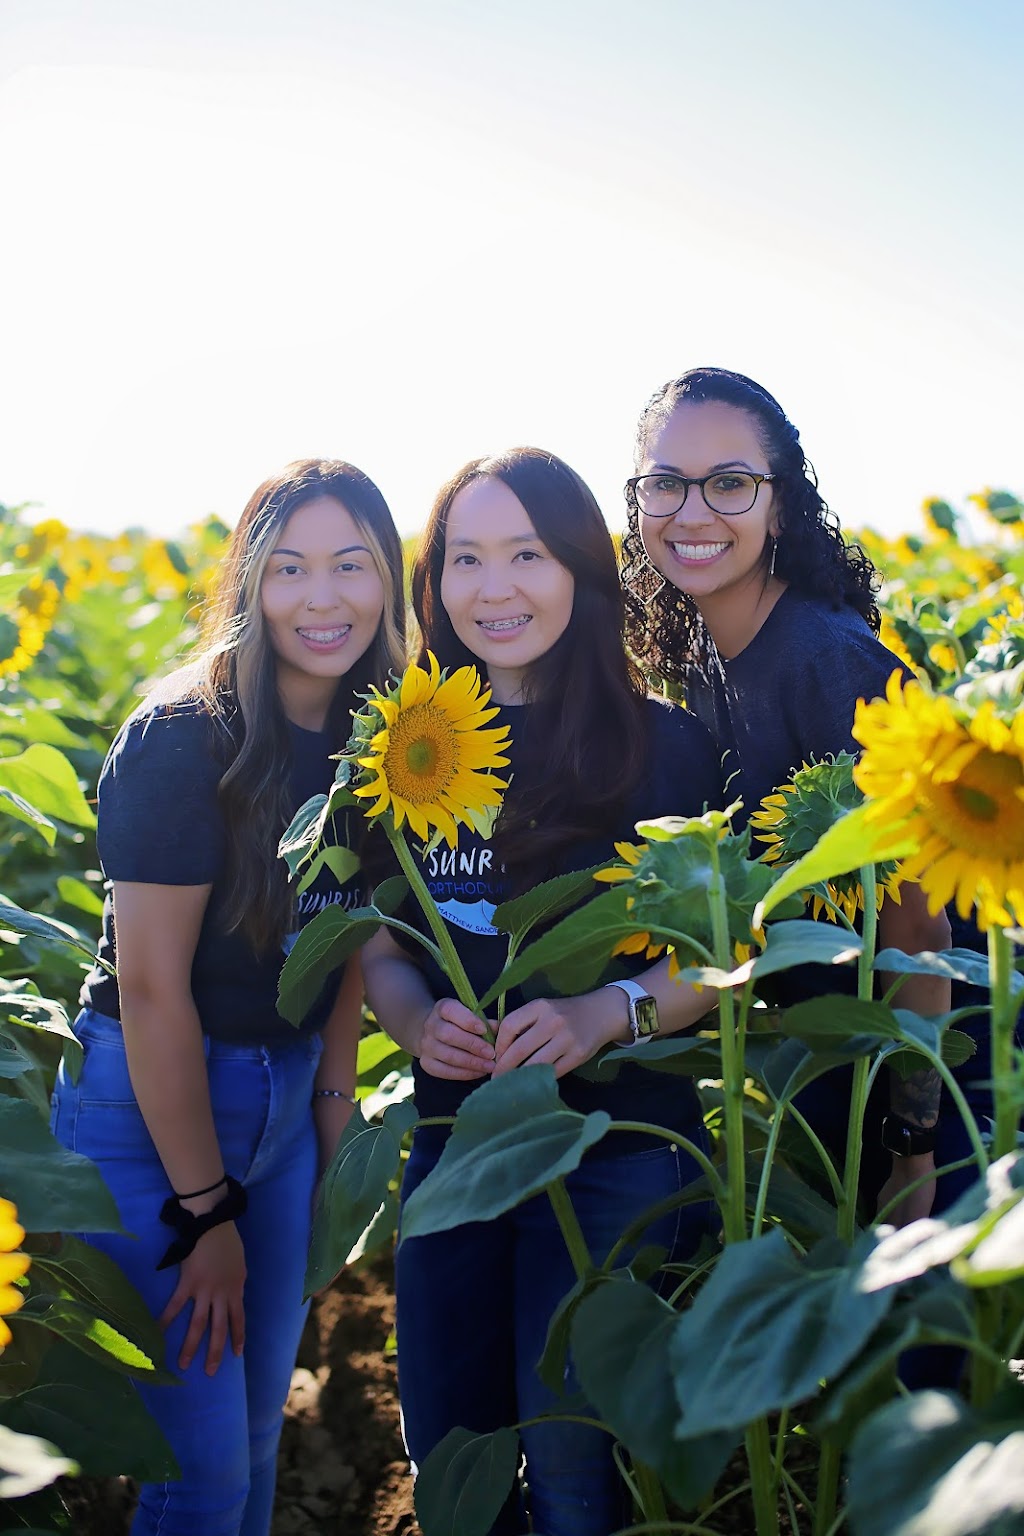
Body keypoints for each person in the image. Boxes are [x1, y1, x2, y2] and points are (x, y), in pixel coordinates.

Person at [361, 447, 725, 1536]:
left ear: (581, 568)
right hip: (454, 1146)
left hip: (618, 1151)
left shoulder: (663, 746)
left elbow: (716, 957)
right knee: (450, 1454)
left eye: (526, 552)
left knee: (575, 1477)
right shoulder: (395, 748)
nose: (494, 586)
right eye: (464, 558)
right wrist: (416, 1018)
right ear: (434, 586)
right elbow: (379, 942)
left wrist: (601, 1013)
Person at [50, 459, 406, 1536]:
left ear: (388, 580)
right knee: (196, 1476)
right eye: (289, 568)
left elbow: (346, 941)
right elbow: (154, 990)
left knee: (254, 1446)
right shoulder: (180, 737)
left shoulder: (378, 734)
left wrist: (331, 1116)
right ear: (248, 584)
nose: (322, 596)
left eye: (351, 565)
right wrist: (205, 1212)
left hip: (283, 1106)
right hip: (152, 1108)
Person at [620, 366, 961, 1227]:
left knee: (922, 1350)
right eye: (666, 484)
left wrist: (911, 1150)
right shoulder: (703, 651)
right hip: (824, 1057)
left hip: (929, 1066)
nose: (692, 512)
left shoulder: (833, 665)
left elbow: (922, 933)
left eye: (730, 484)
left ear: (782, 503)